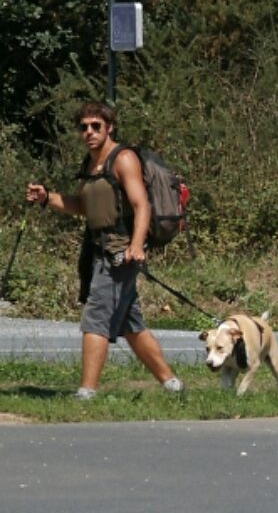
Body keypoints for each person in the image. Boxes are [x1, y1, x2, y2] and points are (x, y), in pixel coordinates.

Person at [26, 101, 183, 400]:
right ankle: (173, 385)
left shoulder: (122, 159)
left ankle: (86, 393)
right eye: (83, 127)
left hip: (120, 251)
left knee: (96, 317)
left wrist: (136, 245)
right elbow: (82, 207)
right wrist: (47, 197)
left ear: (109, 127)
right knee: (130, 325)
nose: (89, 132)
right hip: (99, 250)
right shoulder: (91, 164)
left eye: (96, 126)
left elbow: (141, 205)